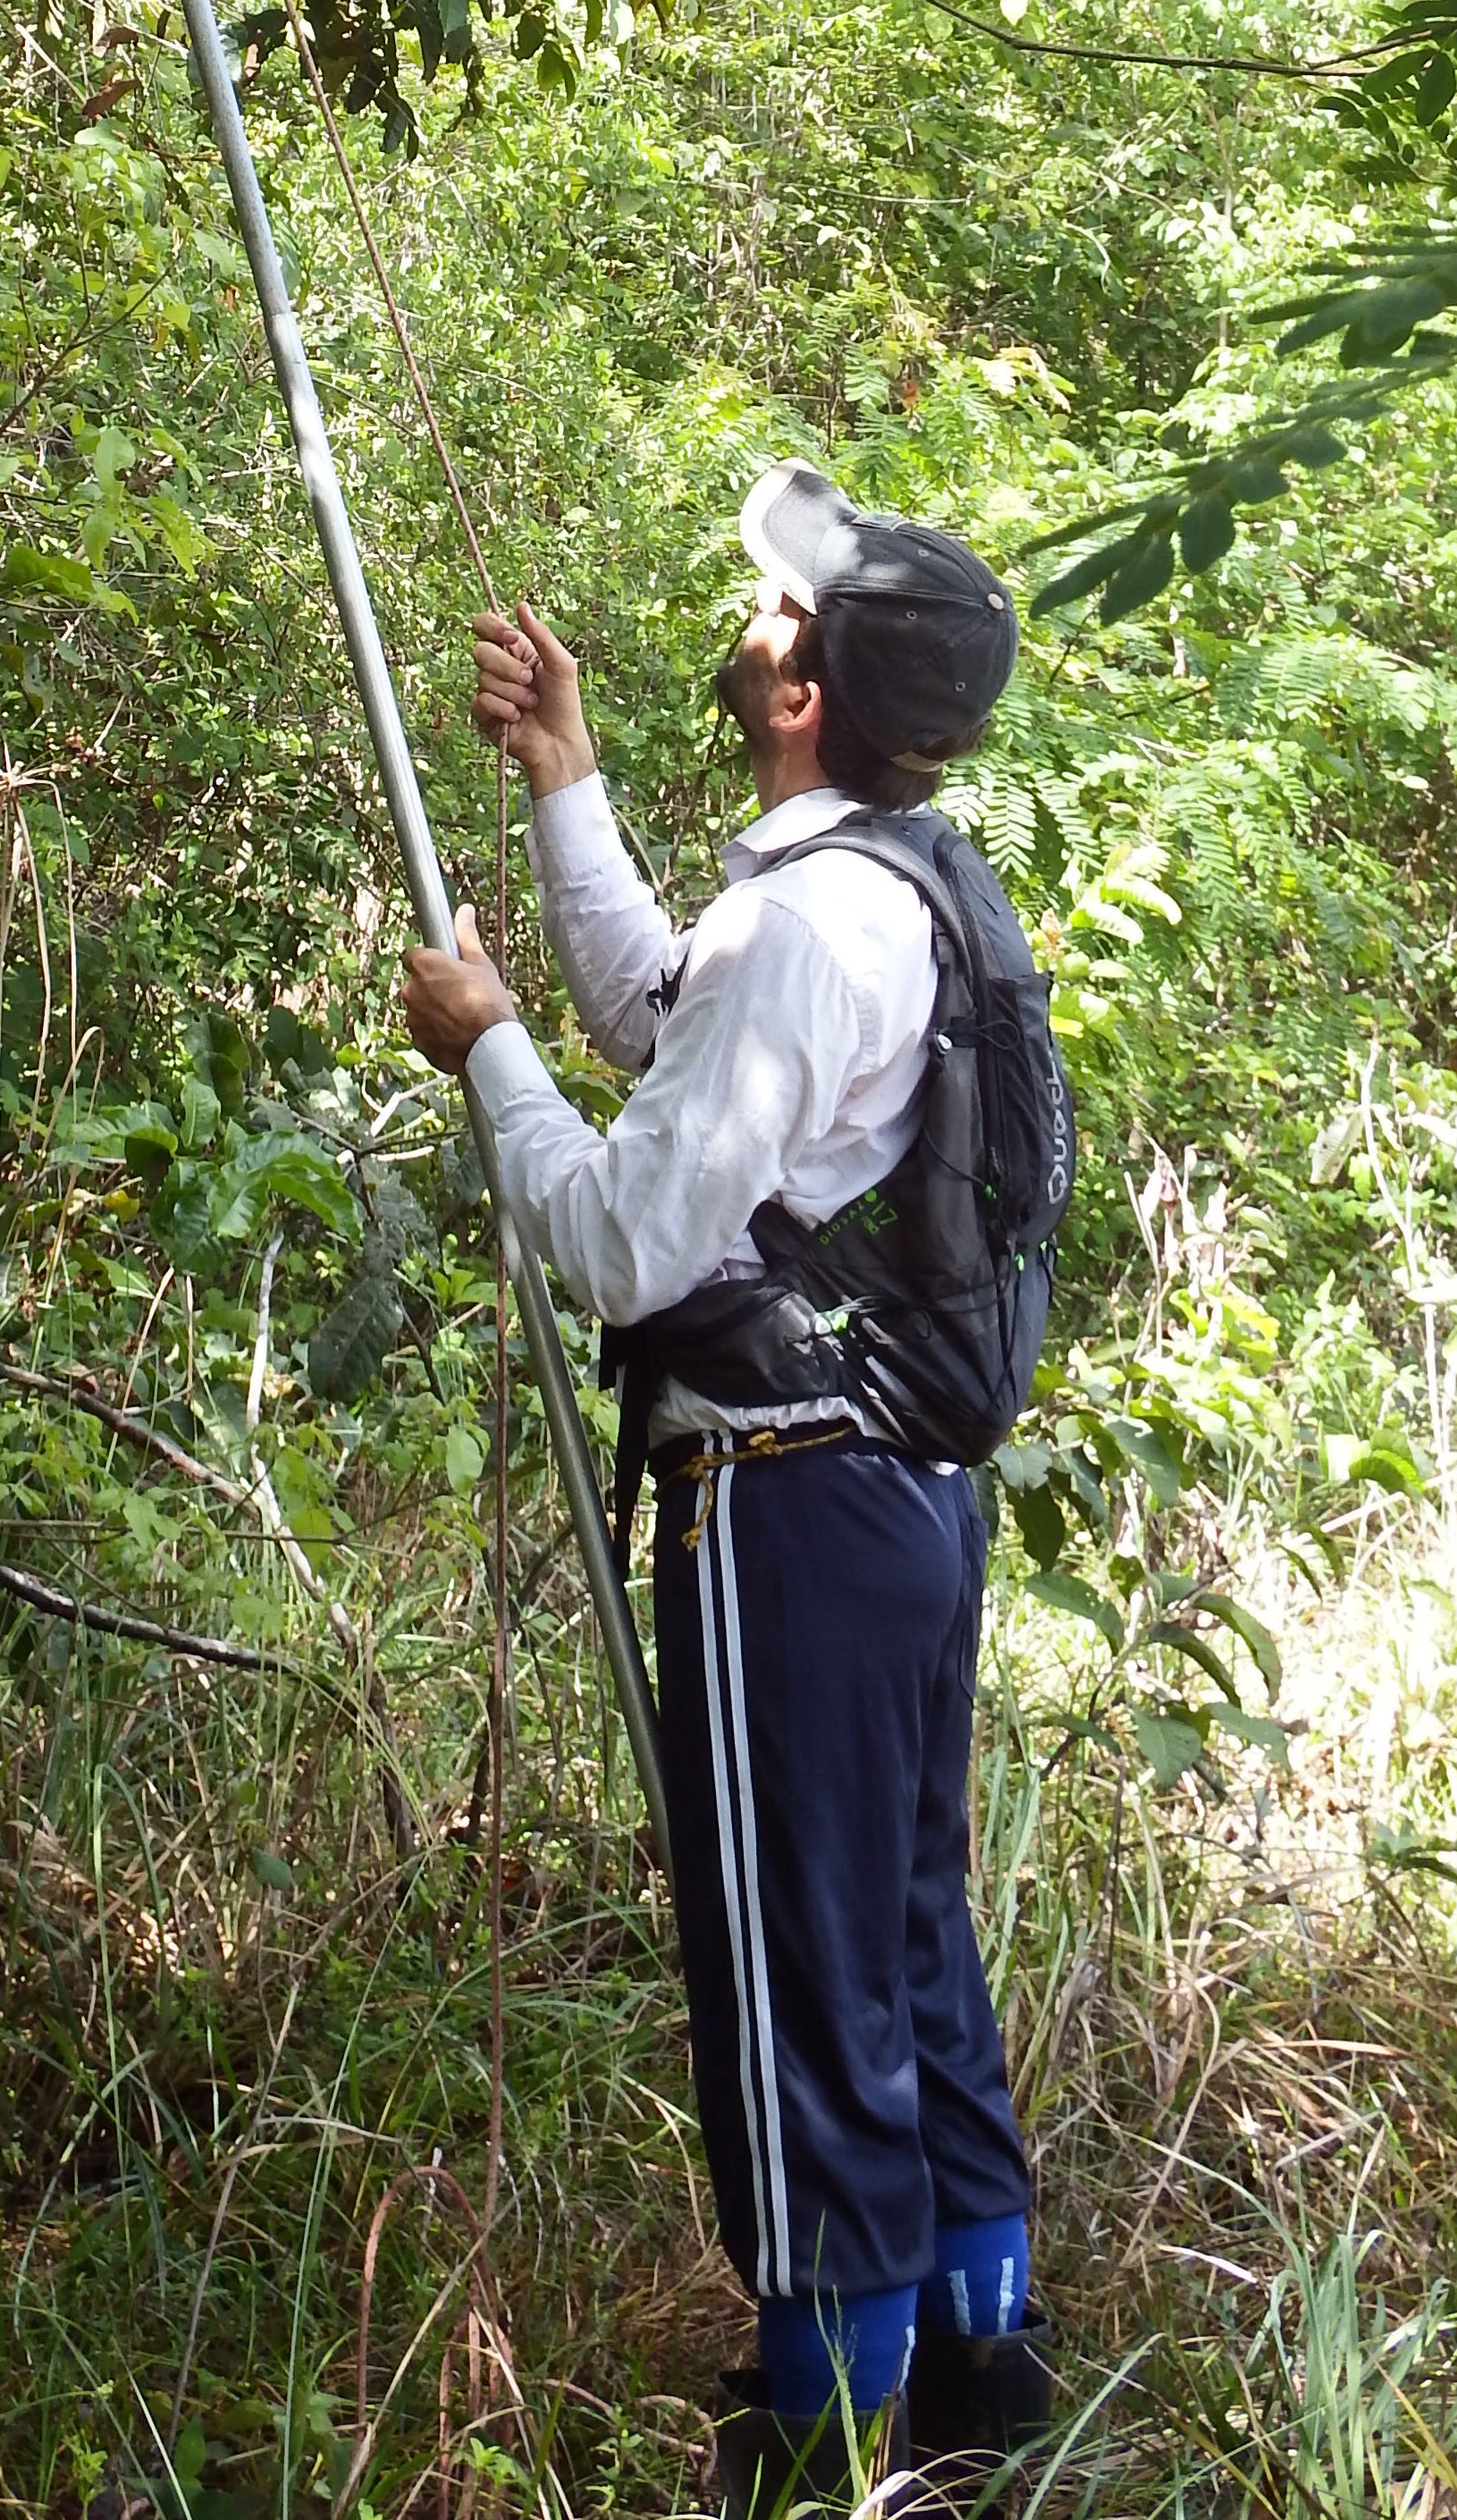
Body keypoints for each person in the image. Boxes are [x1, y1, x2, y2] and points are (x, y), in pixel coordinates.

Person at [402, 462, 1063, 2516]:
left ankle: (820, 2426)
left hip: (788, 1513)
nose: (754, 608)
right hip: (901, 1500)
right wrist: (563, 777)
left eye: (778, 605)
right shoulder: (901, 877)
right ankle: (977, 2347)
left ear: (802, 688)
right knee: (903, 1928)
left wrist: (488, 1049)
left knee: (795, 1961)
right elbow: (675, 1027)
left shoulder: (809, 923)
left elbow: (621, 1238)